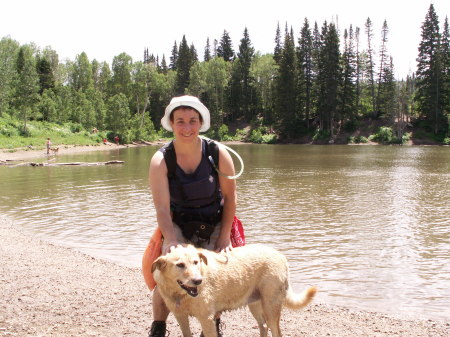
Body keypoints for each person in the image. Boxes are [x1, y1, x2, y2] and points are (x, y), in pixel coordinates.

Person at [147, 95, 237, 337]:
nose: (187, 128)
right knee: (164, 272)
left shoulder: (217, 153)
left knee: (217, 274)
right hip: (177, 221)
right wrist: (169, 239)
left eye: (192, 121)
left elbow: (230, 198)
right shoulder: (160, 160)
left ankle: (213, 325)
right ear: (171, 123)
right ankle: (158, 327)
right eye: (180, 121)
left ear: (201, 123)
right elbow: (162, 208)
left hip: (214, 219)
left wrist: (225, 237)